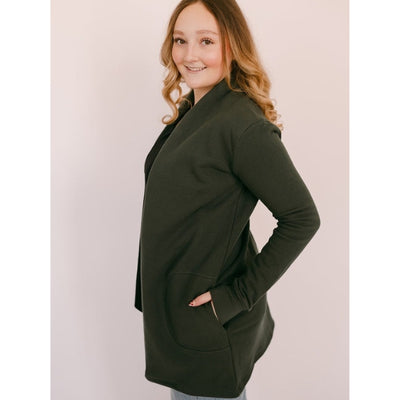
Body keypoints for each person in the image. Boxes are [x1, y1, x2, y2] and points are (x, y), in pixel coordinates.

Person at [134, 0, 321, 399]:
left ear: (232, 45)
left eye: (206, 41)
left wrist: (235, 297)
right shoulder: (194, 109)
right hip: (180, 316)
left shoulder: (241, 124)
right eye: (180, 40)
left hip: (208, 325)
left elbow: (302, 218)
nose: (189, 55)